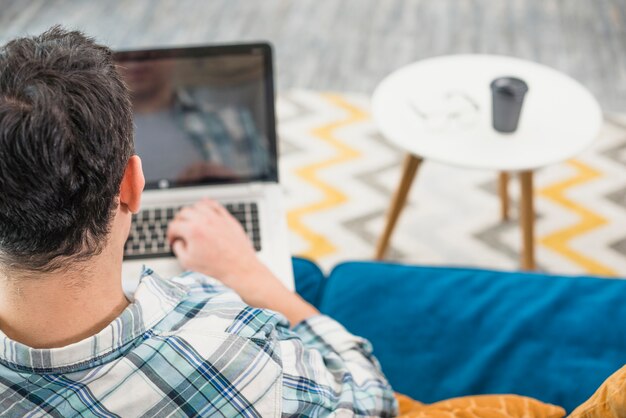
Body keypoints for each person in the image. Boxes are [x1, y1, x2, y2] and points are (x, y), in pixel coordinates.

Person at [0, 27, 397, 417]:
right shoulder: (241, 352)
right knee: (302, 274)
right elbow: (373, 401)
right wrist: (250, 277)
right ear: (131, 186)